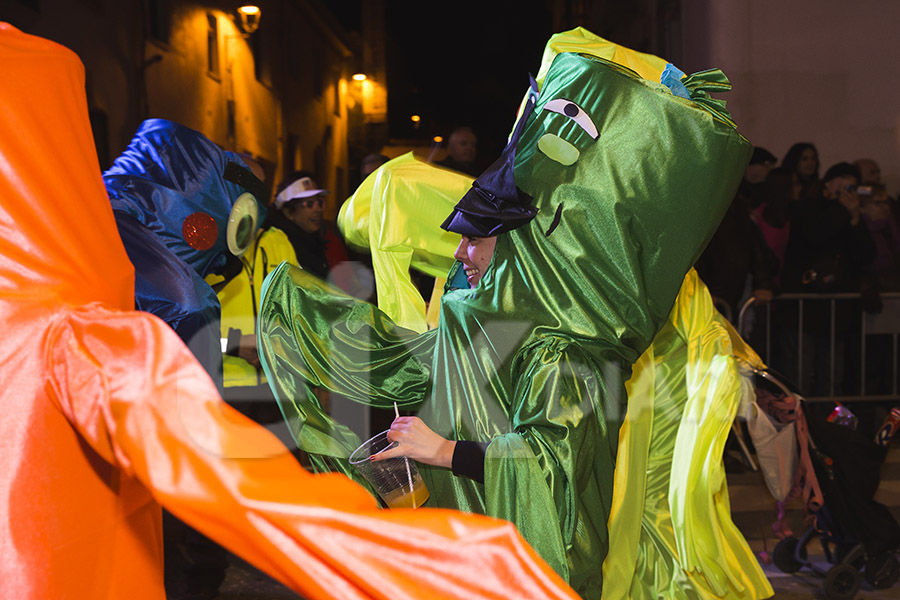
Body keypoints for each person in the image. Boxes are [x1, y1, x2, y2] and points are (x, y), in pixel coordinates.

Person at [0, 22, 578, 600]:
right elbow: (232, 477)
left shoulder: (88, 275)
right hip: (165, 462)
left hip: (211, 422)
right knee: (195, 543)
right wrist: (415, 557)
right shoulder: (130, 304)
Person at [257, 28, 768, 598]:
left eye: (477, 239)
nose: (459, 252)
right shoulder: (489, 321)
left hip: (537, 571)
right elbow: (405, 360)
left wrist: (443, 451)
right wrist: (298, 313)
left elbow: (553, 471)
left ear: (523, 247)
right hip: (476, 555)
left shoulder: (569, 351)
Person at [775, 161, 877, 398]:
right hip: (804, 307)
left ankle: (827, 429)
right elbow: (815, 236)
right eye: (843, 181)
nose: (848, 188)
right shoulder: (806, 207)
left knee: (832, 379)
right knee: (799, 375)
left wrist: (855, 220)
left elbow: (865, 255)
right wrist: (843, 210)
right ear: (828, 182)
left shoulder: (848, 214)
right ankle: (798, 426)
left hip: (836, 310)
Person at [695, 146, 777, 322]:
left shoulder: (736, 202)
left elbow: (754, 244)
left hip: (726, 292)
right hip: (705, 293)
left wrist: (762, 283)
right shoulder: (695, 202)